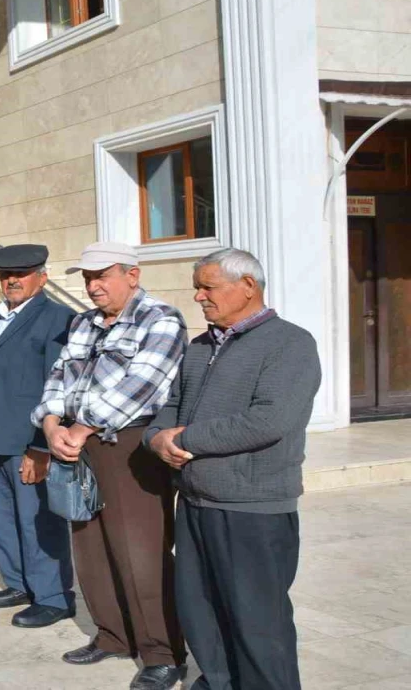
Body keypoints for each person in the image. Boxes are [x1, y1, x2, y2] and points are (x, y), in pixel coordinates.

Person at [146, 249, 319, 690]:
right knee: (202, 610)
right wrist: (157, 439)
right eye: (197, 287)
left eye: (208, 286)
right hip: (197, 500)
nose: (199, 296)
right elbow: (169, 407)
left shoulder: (290, 343)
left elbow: (270, 421)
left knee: (260, 622)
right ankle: (219, 681)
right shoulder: (200, 346)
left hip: (253, 507)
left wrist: (183, 440)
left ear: (248, 286)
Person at [32, 241, 188, 689]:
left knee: (140, 552)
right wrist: (49, 424)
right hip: (77, 444)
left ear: (132, 275)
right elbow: (60, 375)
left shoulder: (160, 319)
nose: (93, 286)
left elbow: (143, 384)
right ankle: (113, 635)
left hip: (128, 446)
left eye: (102, 276)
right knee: (90, 546)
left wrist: (80, 428)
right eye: (87, 278)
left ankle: (163, 653)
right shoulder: (83, 322)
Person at [0, 245, 76, 628]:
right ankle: (18, 584)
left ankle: (53, 597)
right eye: (4, 274)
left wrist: (40, 447)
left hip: (27, 441)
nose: (11, 280)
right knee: (2, 520)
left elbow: (58, 388)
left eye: (22, 273)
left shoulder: (57, 318)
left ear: (42, 277)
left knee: (38, 522)